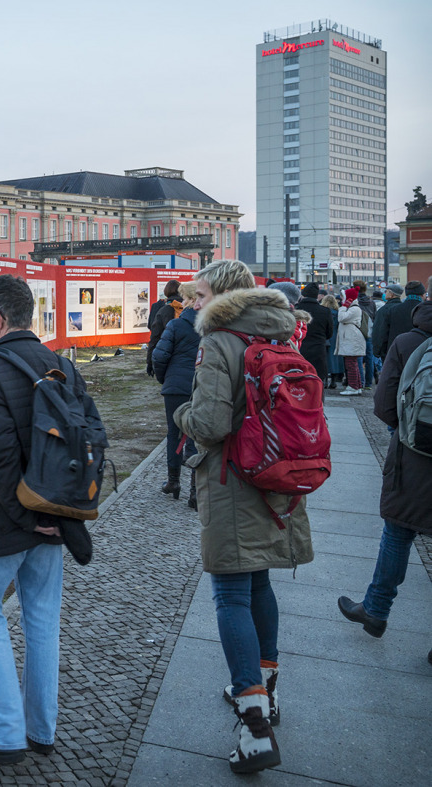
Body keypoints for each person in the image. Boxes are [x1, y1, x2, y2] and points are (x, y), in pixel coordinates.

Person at [174, 260, 313, 774]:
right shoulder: (283, 333)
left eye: (200, 294)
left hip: (234, 482)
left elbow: (209, 422)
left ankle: (254, 724)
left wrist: (180, 414)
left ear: (225, 296)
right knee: (258, 587)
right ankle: (266, 691)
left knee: (230, 593)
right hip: (277, 479)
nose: (193, 303)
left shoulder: (218, 342)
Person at [0, 274, 83, 765]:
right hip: (52, 515)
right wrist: (52, 514)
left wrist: (27, 516)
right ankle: (40, 729)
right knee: (42, 619)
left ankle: (2, 735)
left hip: (3, 517)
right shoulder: (57, 363)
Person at [337, 297, 432, 665]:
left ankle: (375, 610)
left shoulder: (409, 341)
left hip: (413, 455)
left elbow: (383, 402)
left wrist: (404, 429)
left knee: (398, 531)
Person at [152, 281, 199, 507]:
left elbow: (159, 357)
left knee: (174, 433)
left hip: (176, 388)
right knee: (199, 436)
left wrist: (165, 379)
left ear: (188, 300)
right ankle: (195, 491)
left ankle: (173, 482)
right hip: (202, 386)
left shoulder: (176, 325)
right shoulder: (212, 327)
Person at [295, 283, 335, 389]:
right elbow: (329, 333)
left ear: (303, 295)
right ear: (317, 296)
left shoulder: (296, 309)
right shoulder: (325, 311)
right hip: (318, 350)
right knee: (317, 382)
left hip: (298, 349)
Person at [373, 281, 426, 361]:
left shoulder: (393, 310)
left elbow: (382, 334)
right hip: (421, 356)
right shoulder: (425, 310)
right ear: (422, 294)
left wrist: (382, 354)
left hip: (396, 354)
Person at [147, 280, 182, 376]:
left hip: (168, 353)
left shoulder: (163, 311)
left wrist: (150, 362)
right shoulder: (188, 307)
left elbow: (155, 338)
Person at [336, 287, 366, 395]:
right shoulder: (353, 308)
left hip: (352, 339)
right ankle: (356, 386)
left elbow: (341, 318)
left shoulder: (354, 309)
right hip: (351, 338)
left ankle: (353, 387)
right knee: (352, 363)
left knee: (351, 364)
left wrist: (343, 307)